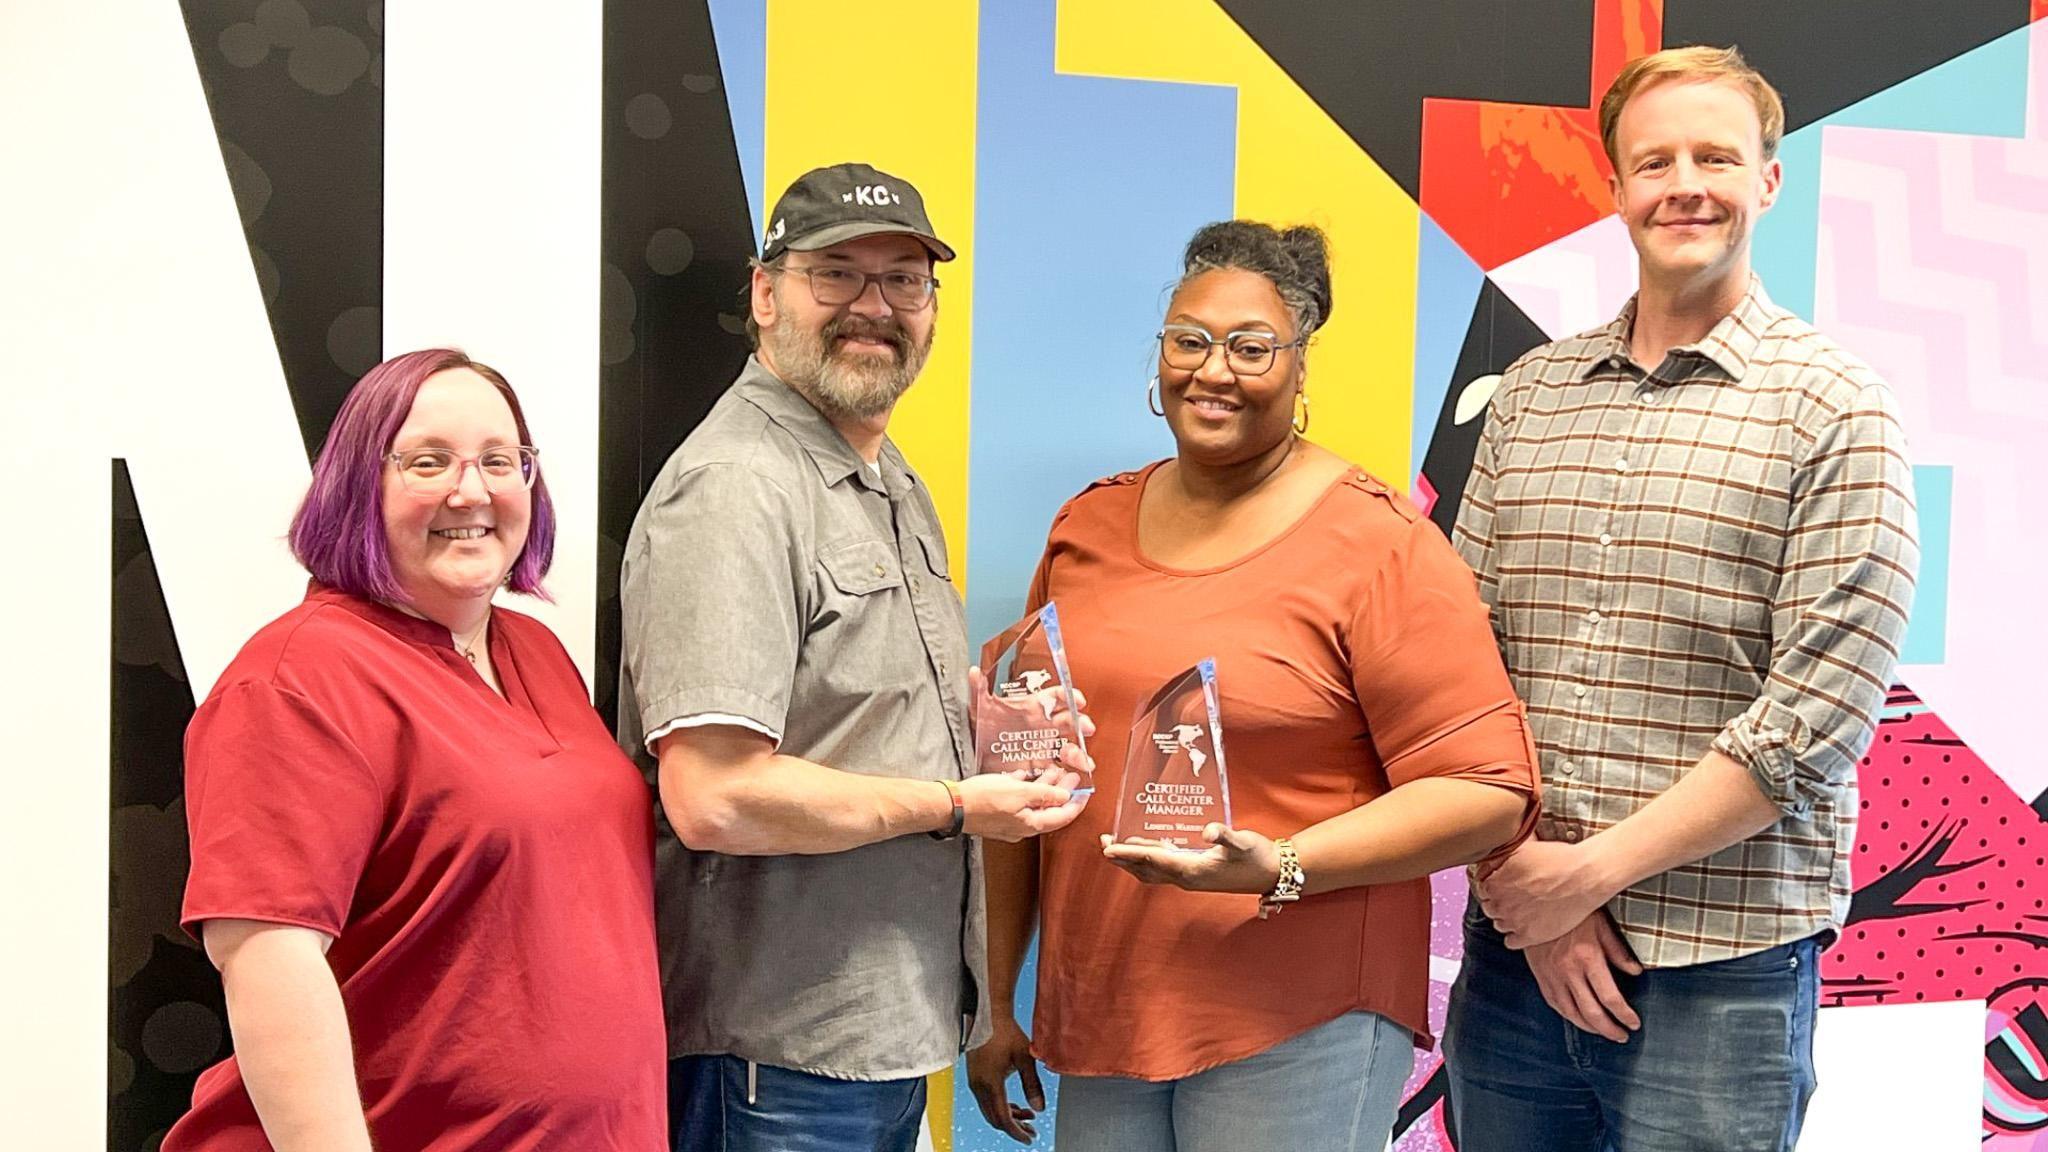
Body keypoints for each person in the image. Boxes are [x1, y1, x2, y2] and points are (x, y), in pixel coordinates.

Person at [966, 220, 1541, 1152]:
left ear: (1301, 367)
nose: (1213, 370)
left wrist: (1281, 864)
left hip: (1297, 1016)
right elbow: (1025, 780)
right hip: (1108, 1011)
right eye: (1188, 340)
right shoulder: (1088, 526)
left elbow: (1487, 792)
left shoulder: (1381, 544)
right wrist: (997, 999)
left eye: (1250, 346)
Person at [1444, 46, 1920, 1152]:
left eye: (1714, 155)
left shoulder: (1835, 408)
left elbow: (1811, 722)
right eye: (1652, 161)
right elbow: (1457, 662)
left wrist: (1585, 880)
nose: (1683, 185)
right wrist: (1525, 890)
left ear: (1766, 180)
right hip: (1515, 957)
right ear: (1613, 189)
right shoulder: (1530, 394)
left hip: (1723, 975)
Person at [618, 162, 1087, 1152]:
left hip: (876, 1037)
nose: (872, 307)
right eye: (835, 273)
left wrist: (987, 744)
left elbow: (842, 719)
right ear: (764, 292)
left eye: (903, 280)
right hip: (775, 1059)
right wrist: (959, 805)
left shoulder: (883, 474)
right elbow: (714, 796)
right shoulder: (737, 489)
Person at [166, 349, 665, 1151]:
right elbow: (268, 959)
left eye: (500, 461)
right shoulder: (298, 677)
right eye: (428, 462)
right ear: (358, 486)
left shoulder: (533, 650)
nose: (471, 491)